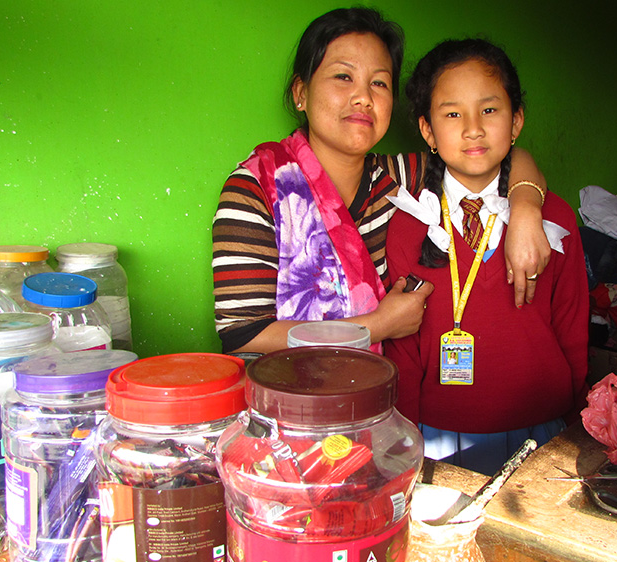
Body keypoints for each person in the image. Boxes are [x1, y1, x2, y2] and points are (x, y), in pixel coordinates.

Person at [212, 8, 551, 355]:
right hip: (287, 401)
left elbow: (497, 157)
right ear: (301, 92)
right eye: (343, 77)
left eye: (379, 83)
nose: (363, 97)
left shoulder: (398, 179)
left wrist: (525, 209)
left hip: (376, 398)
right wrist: (377, 326)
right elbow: (245, 335)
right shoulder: (257, 189)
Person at [383, 39, 589, 475]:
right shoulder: (407, 222)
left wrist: (575, 419)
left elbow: (572, 325)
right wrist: (403, 436)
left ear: (516, 124)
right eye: (452, 114)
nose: (472, 128)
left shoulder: (554, 217)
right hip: (437, 434)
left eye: (490, 110)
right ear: (427, 131)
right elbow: (404, 350)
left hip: (542, 431)